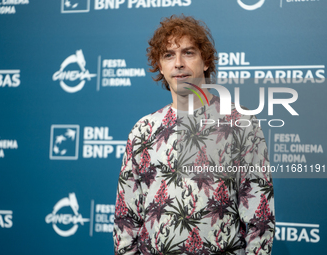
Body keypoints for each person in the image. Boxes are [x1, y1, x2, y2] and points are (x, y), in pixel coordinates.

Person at [113, 15, 275, 255]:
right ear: (160, 65)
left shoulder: (241, 123)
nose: (178, 63)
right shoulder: (143, 130)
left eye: (188, 53)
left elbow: (259, 219)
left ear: (206, 61)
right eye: (169, 55)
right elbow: (126, 218)